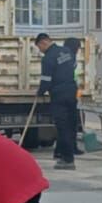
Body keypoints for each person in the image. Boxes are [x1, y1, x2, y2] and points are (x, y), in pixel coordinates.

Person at [35, 33, 81, 169]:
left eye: (39, 47)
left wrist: (40, 92)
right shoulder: (67, 51)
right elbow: (74, 66)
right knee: (70, 126)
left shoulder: (48, 58)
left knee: (62, 128)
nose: (40, 51)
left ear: (43, 42)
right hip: (72, 92)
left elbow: (46, 80)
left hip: (59, 95)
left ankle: (68, 160)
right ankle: (63, 155)